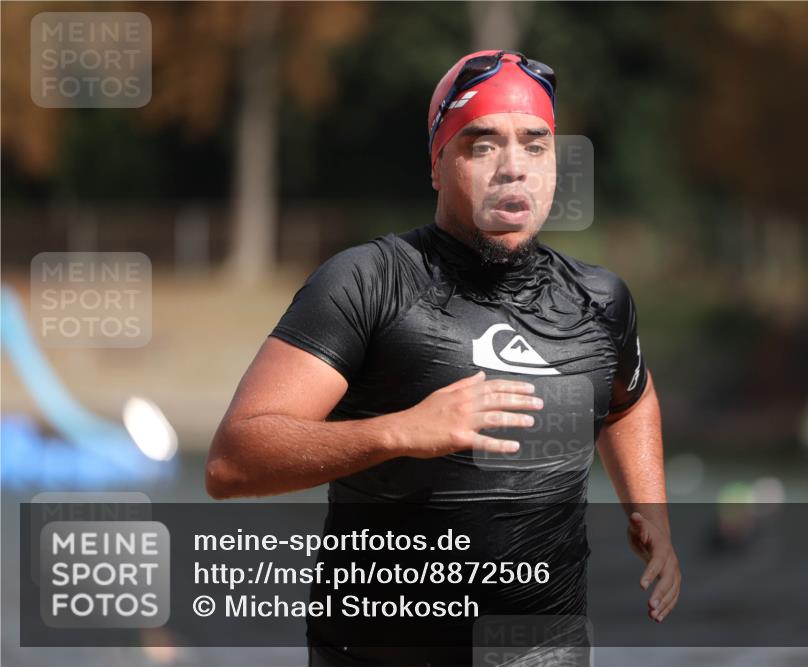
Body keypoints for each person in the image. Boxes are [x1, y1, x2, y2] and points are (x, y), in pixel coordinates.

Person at [206, 49, 681, 667]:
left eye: (535, 145)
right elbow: (232, 461)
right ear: (437, 162)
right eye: (482, 145)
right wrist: (400, 431)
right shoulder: (368, 283)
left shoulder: (599, 301)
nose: (514, 167)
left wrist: (650, 512)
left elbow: (628, 400)